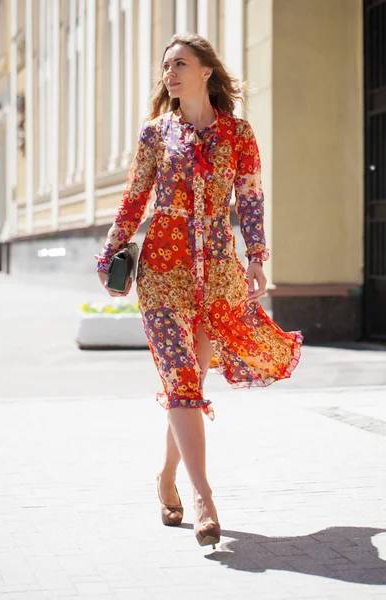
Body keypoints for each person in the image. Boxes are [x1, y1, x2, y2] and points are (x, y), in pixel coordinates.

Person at [95, 33, 303, 550]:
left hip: (216, 273)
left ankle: (165, 478)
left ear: (206, 71)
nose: (169, 73)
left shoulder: (238, 133)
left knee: (188, 386)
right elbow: (133, 199)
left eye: (180, 63)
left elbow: (250, 198)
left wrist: (256, 258)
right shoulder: (154, 134)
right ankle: (204, 496)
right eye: (166, 66)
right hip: (162, 270)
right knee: (181, 379)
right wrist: (111, 252)